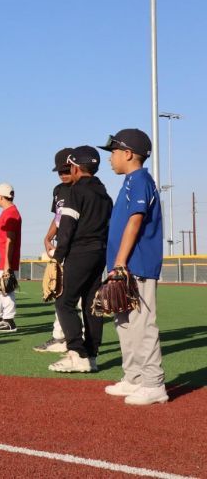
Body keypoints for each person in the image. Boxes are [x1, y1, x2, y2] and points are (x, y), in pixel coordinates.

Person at [100, 129, 168, 405]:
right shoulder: (130, 181)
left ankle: (154, 384)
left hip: (135, 264)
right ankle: (134, 377)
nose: (110, 158)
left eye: (114, 152)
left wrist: (119, 262)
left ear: (128, 154)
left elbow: (135, 221)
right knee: (125, 323)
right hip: (125, 265)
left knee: (142, 324)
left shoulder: (140, 180)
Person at [48, 146, 112, 373]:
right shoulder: (105, 194)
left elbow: (66, 228)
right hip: (100, 253)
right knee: (91, 304)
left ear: (75, 167)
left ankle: (77, 353)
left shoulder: (75, 192)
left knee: (63, 302)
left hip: (80, 252)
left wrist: (57, 258)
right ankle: (92, 356)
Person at [34, 148, 76, 353]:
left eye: (66, 169)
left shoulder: (81, 188)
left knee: (75, 296)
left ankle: (74, 339)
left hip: (78, 247)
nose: (63, 174)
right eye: (60, 170)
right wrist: (48, 236)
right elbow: (58, 217)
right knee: (60, 291)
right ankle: (60, 336)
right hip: (62, 245)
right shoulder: (58, 190)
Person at [0, 184, 22, 333]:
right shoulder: (6, 212)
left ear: (1, 197)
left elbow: (10, 240)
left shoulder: (11, 213)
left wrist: (7, 264)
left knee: (6, 289)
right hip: (1, 259)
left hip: (6, 259)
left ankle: (9, 321)